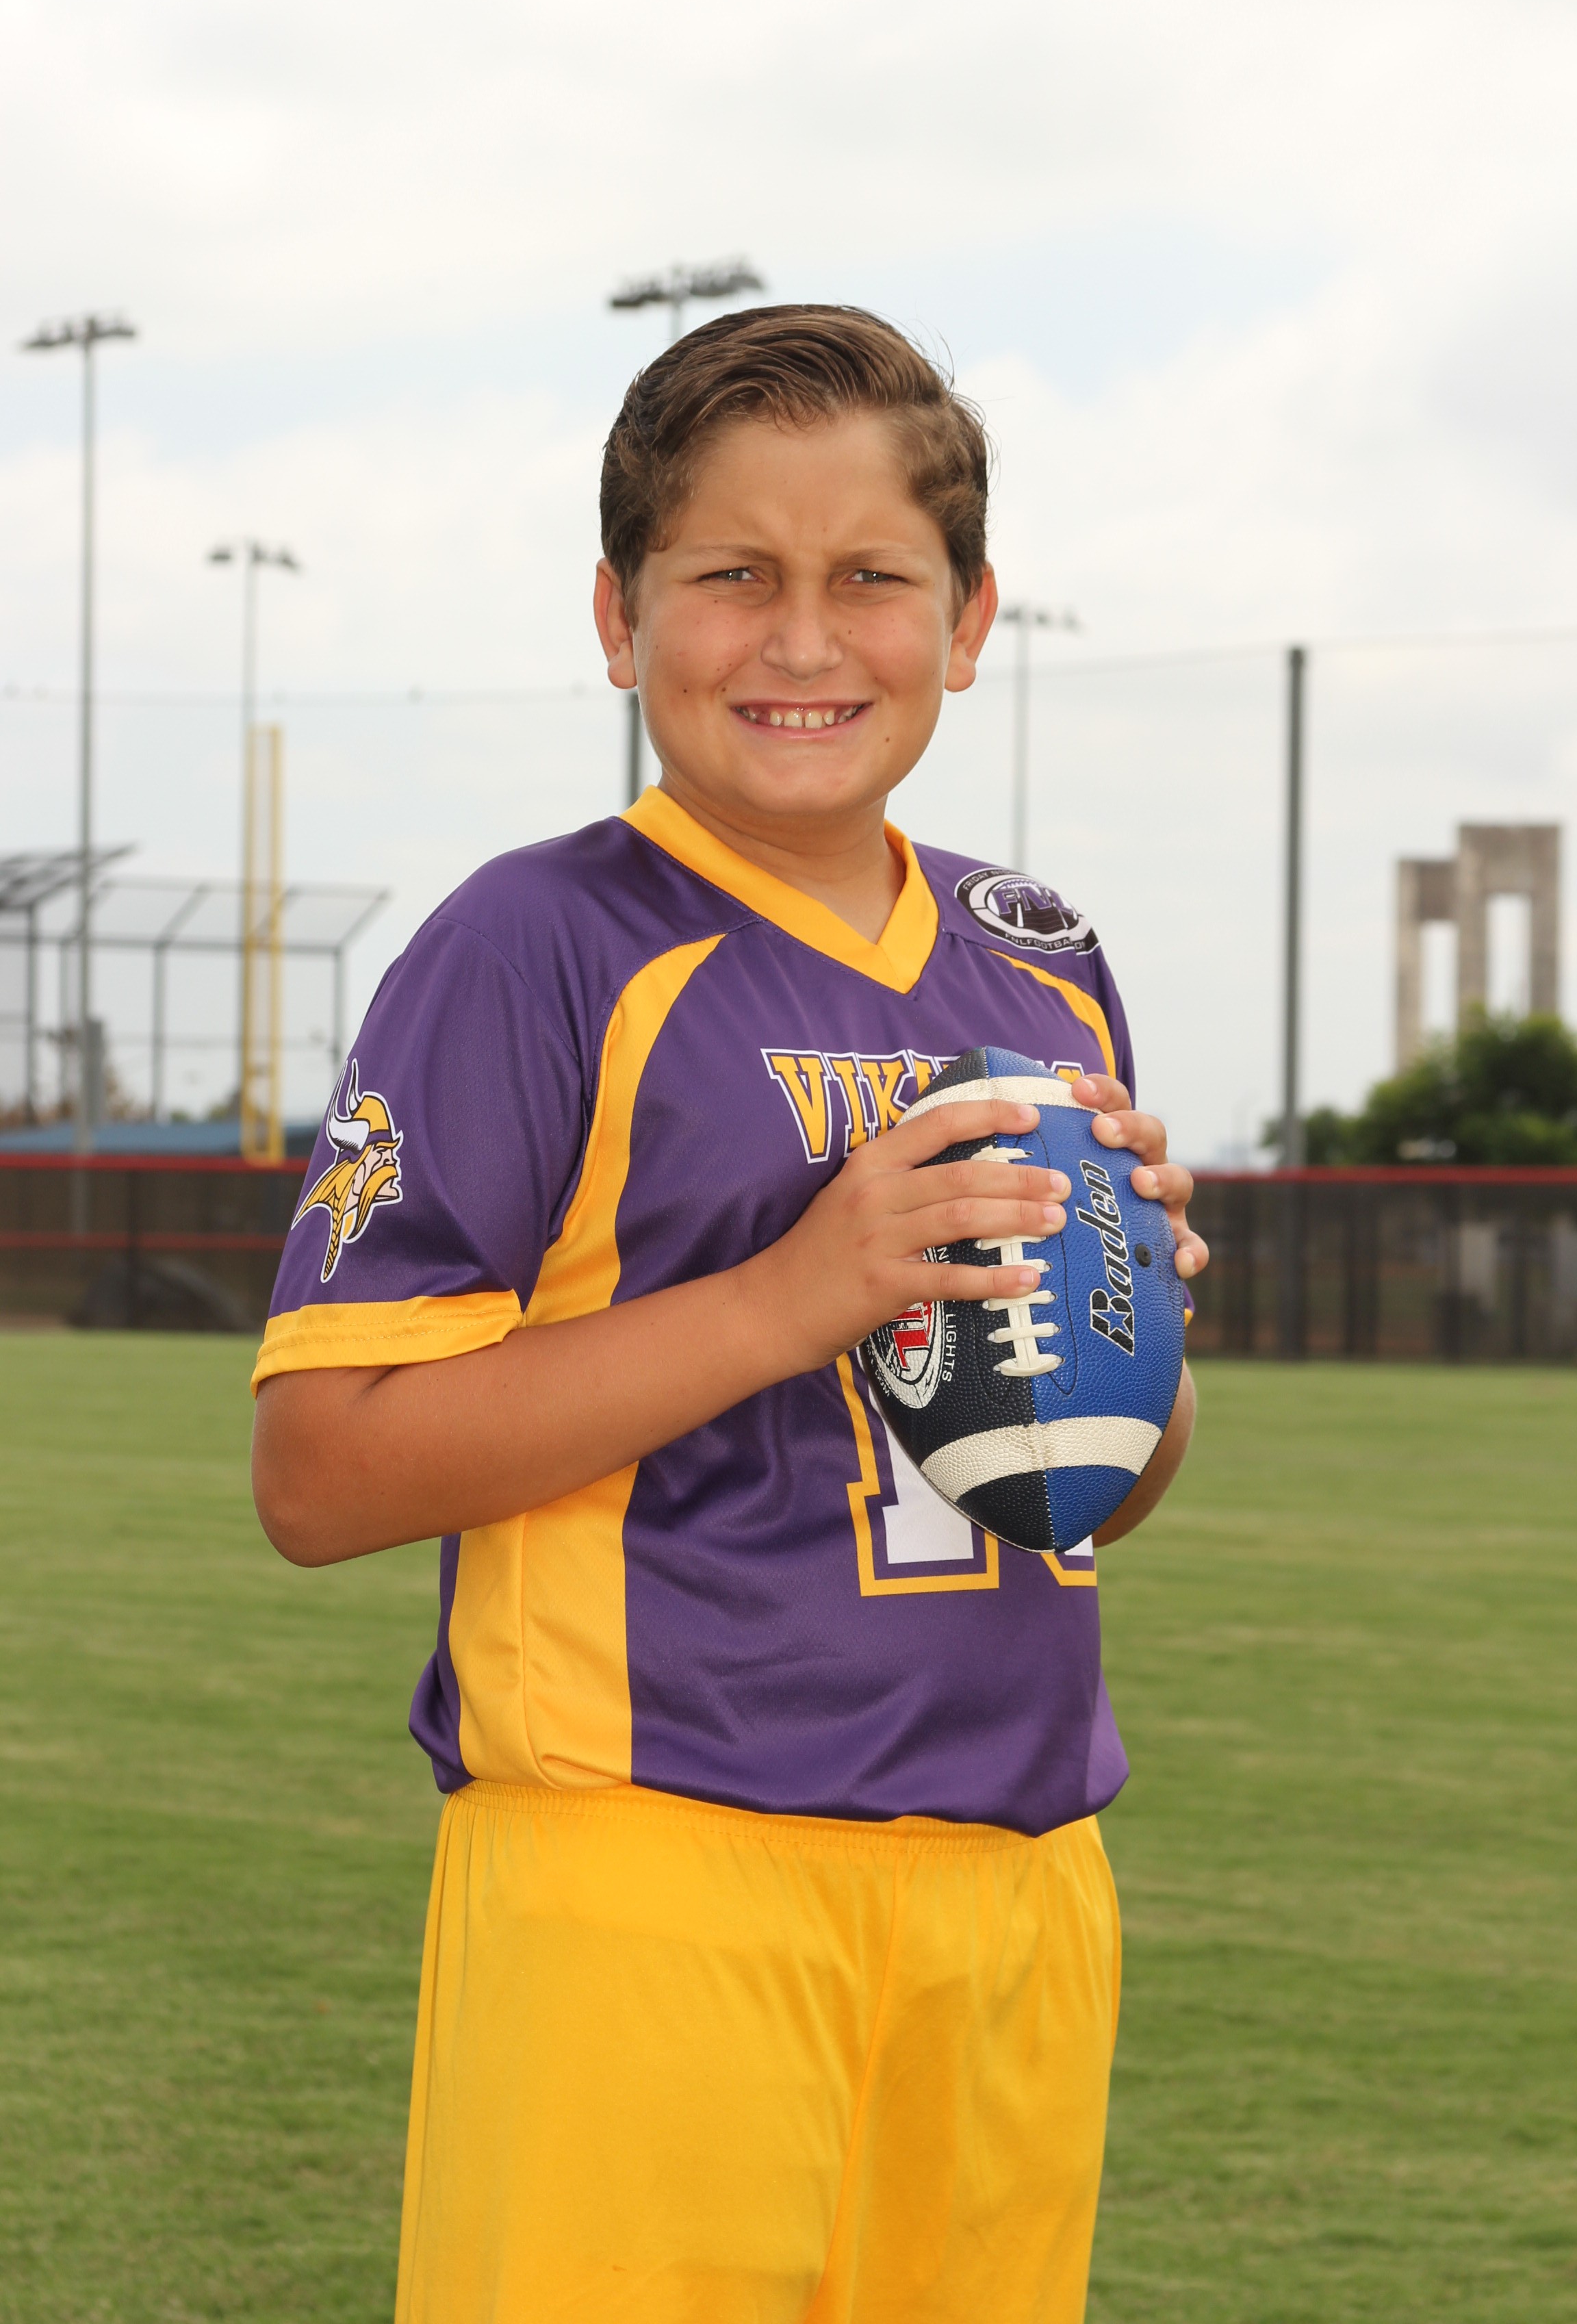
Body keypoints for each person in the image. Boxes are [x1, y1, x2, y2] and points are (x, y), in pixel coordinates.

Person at [251, 305, 1207, 2324]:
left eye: (872, 579)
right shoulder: (539, 943)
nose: (802, 639)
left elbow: (1096, 1500)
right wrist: (795, 1293)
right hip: (652, 1873)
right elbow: (323, 1477)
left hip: (1021, 1884)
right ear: (620, 616)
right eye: (731, 577)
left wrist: (1134, 1340)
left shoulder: (1041, 960)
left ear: (970, 621)